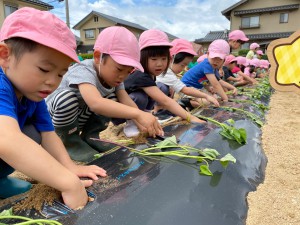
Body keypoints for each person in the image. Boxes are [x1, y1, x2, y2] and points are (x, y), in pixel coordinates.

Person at [0, 7, 107, 209]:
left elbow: (49, 134)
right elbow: (6, 140)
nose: (52, 82)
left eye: (60, 74)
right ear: (5, 55)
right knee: (15, 137)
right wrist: (67, 183)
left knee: (33, 133)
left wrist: (69, 168)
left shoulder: (33, 94)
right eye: (44, 69)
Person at [46, 26, 163, 158]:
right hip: (54, 121)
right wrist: (138, 114)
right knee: (67, 98)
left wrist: (141, 124)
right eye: (119, 69)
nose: (123, 76)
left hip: (77, 119)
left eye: (128, 71)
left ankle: (91, 136)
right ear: (98, 57)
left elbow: (126, 100)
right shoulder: (83, 70)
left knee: (112, 97)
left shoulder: (114, 79)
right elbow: (95, 103)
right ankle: (68, 143)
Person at [124, 29, 204, 124]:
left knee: (153, 92)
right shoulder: (140, 74)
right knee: (140, 97)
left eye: (163, 59)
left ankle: (146, 114)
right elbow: (166, 101)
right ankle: (132, 122)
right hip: (120, 109)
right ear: (142, 57)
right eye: (154, 59)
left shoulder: (151, 74)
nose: (160, 64)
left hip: (132, 108)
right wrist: (191, 118)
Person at [156, 38, 219, 111]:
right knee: (161, 87)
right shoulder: (165, 73)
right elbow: (185, 90)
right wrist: (206, 96)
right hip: (153, 103)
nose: (183, 68)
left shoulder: (171, 73)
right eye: (182, 65)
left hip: (172, 99)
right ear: (171, 59)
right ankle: (158, 110)